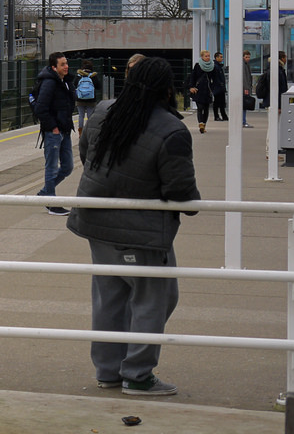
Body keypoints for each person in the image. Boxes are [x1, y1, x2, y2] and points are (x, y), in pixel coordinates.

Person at [68, 56, 200, 397]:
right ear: (167, 88)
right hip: (141, 233)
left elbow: (87, 156)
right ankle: (138, 374)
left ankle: (108, 370)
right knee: (156, 299)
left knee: (109, 298)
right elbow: (180, 190)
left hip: (95, 220)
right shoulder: (172, 129)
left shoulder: (103, 111)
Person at [34, 51, 76, 216]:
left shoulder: (65, 81)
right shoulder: (49, 83)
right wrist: (53, 127)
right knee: (51, 167)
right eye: (62, 64)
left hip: (64, 129)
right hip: (54, 132)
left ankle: (45, 193)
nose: (66, 67)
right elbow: (40, 108)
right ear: (54, 67)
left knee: (67, 167)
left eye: (66, 63)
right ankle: (51, 202)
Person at [187, 50, 222, 134]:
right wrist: (191, 87)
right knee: (200, 107)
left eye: (209, 56)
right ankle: (200, 123)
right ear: (202, 57)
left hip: (208, 90)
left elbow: (216, 79)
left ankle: (204, 125)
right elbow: (193, 77)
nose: (208, 57)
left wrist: (214, 89)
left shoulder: (213, 66)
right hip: (198, 89)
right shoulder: (198, 65)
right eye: (206, 56)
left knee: (206, 108)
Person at [74, 59, 101, 133]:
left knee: (81, 116)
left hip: (80, 99)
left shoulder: (79, 75)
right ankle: (89, 132)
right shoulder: (93, 76)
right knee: (90, 116)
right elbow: (98, 86)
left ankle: (80, 132)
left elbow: (74, 84)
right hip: (91, 100)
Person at [211, 52, 228, 121]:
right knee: (217, 102)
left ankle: (224, 115)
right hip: (217, 87)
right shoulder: (215, 66)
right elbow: (216, 77)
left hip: (221, 87)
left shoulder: (219, 66)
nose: (222, 58)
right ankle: (216, 116)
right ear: (216, 58)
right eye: (220, 57)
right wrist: (220, 84)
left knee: (222, 102)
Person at [242, 50, 254, 128]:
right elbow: (244, 78)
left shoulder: (246, 64)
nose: (248, 58)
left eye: (249, 57)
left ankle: (243, 121)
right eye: (246, 57)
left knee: (244, 106)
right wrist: (246, 88)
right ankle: (243, 121)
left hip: (246, 87)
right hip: (244, 88)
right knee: (244, 106)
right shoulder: (243, 65)